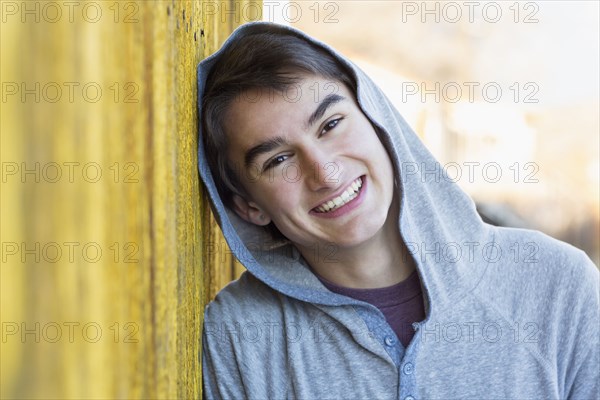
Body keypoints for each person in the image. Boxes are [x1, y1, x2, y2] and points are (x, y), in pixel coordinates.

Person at [197, 22, 599, 399]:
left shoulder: (558, 285)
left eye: (331, 124)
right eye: (278, 159)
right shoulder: (238, 334)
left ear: (376, 118)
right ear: (249, 207)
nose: (325, 172)